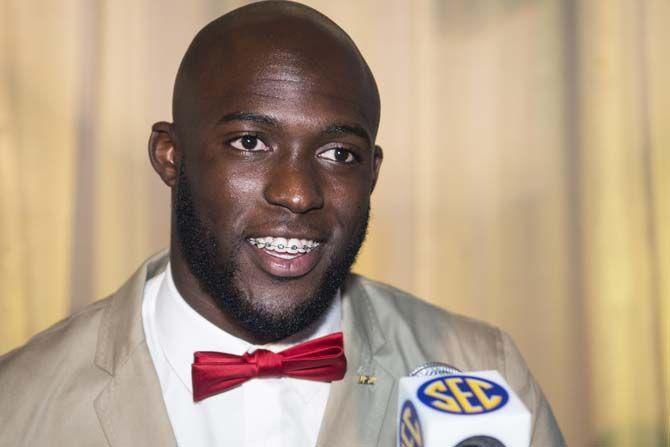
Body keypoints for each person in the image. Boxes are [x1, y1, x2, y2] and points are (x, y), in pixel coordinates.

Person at [0, 1, 565, 446]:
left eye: (339, 154)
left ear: (372, 172)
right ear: (171, 156)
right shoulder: (18, 406)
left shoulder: (484, 373)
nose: (297, 193)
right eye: (250, 142)